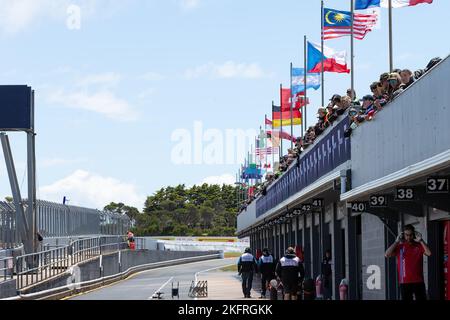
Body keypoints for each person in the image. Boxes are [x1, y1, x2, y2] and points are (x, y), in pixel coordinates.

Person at [385, 224, 432, 300]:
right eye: (406, 235)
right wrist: (396, 241)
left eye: (410, 235)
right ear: (403, 235)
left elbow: (429, 253)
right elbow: (387, 254)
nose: (408, 237)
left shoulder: (419, 245)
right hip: (404, 282)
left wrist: (421, 240)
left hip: (418, 281)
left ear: (414, 235)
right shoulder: (400, 247)